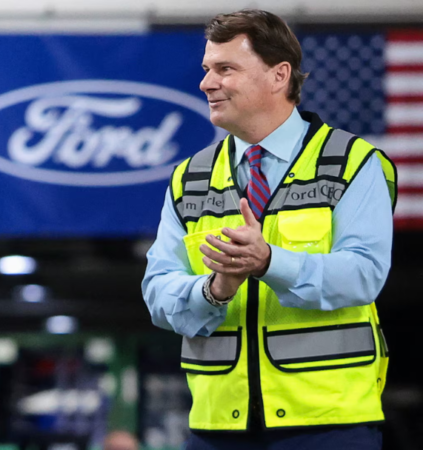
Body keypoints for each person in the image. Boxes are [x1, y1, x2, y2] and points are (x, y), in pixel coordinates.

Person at [141, 9, 395, 450]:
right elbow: (158, 292)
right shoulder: (189, 178)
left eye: (225, 69)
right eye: (207, 69)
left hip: (330, 425)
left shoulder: (354, 164)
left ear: (280, 76)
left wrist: (270, 261)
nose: (206, 83)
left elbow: (364, 275)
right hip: (217, 428)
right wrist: (214, 290)